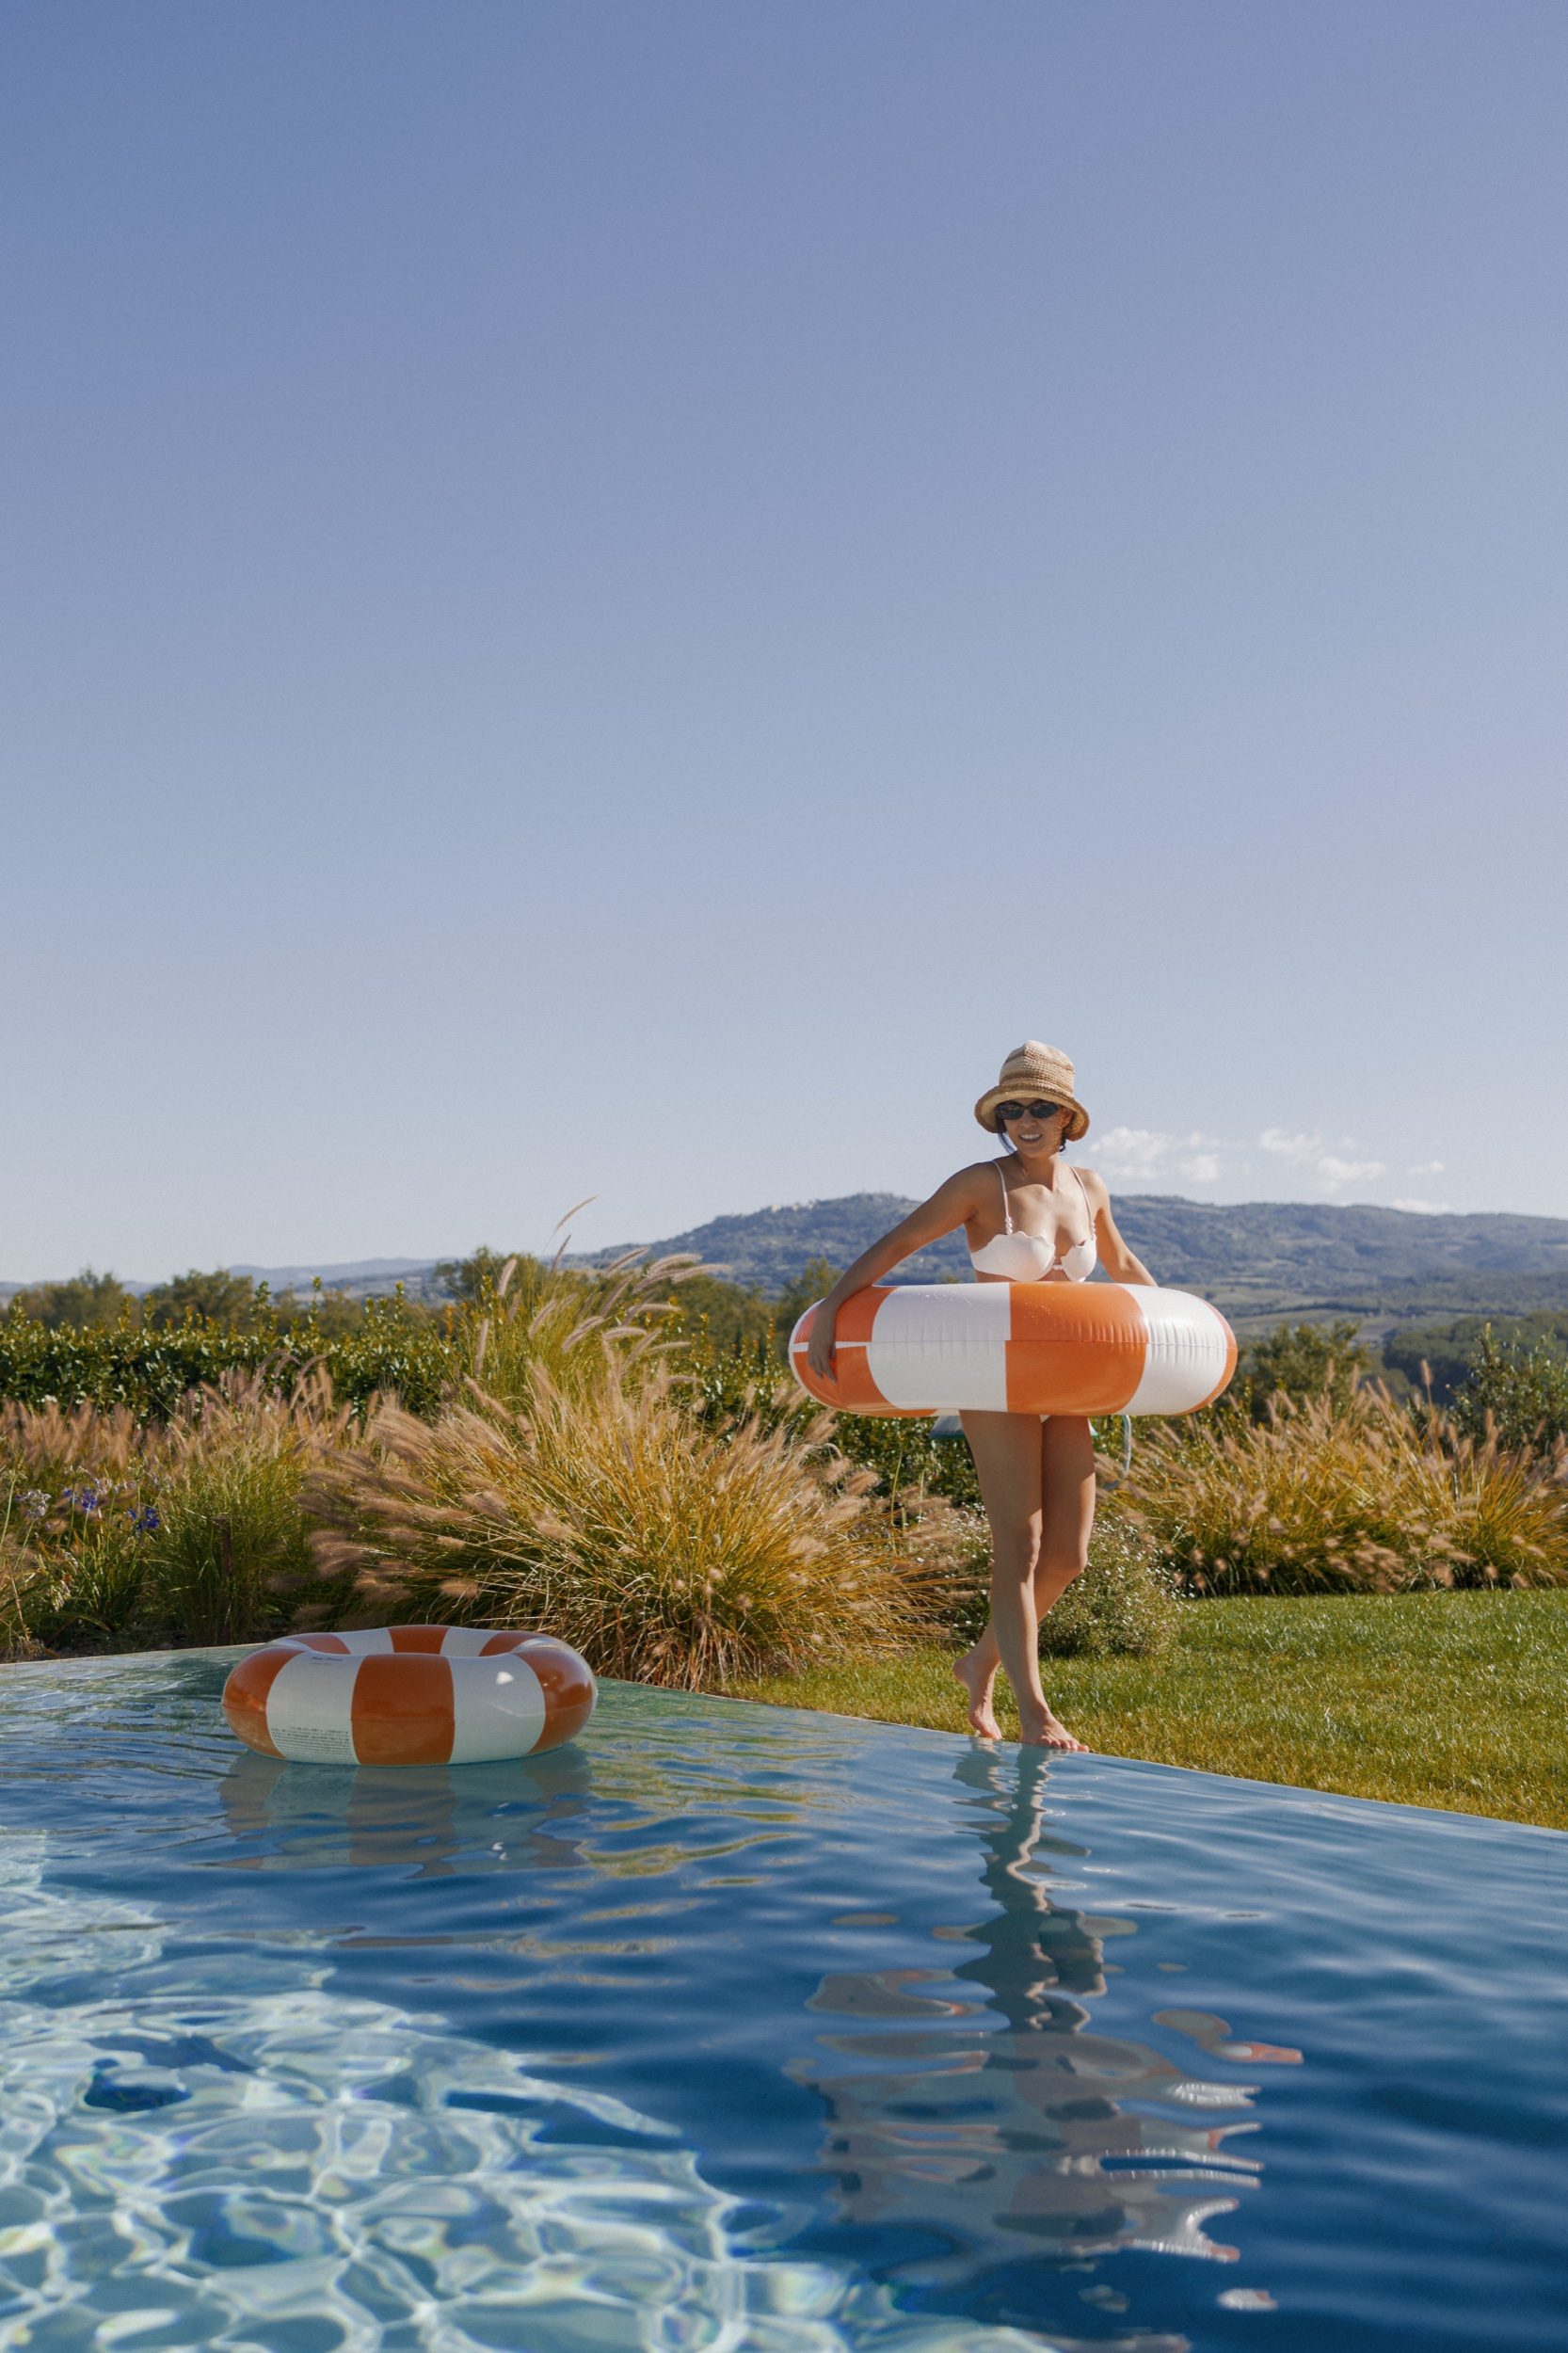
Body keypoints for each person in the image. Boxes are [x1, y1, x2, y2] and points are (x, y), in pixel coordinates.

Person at [805, 1042, 1155, 1750]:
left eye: (1040, 1107)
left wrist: (1174, 1329)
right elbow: (894, 1246)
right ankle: (1032, 1710)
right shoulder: (978, 1184)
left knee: (1069, 1557)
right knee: (1019, 1546)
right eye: (1012, 1108)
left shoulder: (1089, 1187)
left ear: (1068, 1118)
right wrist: (836, 1307)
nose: (1026, 1119)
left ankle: (977, 1663)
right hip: (996, 1379)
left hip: (1070, 1380)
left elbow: (1119, 1265)